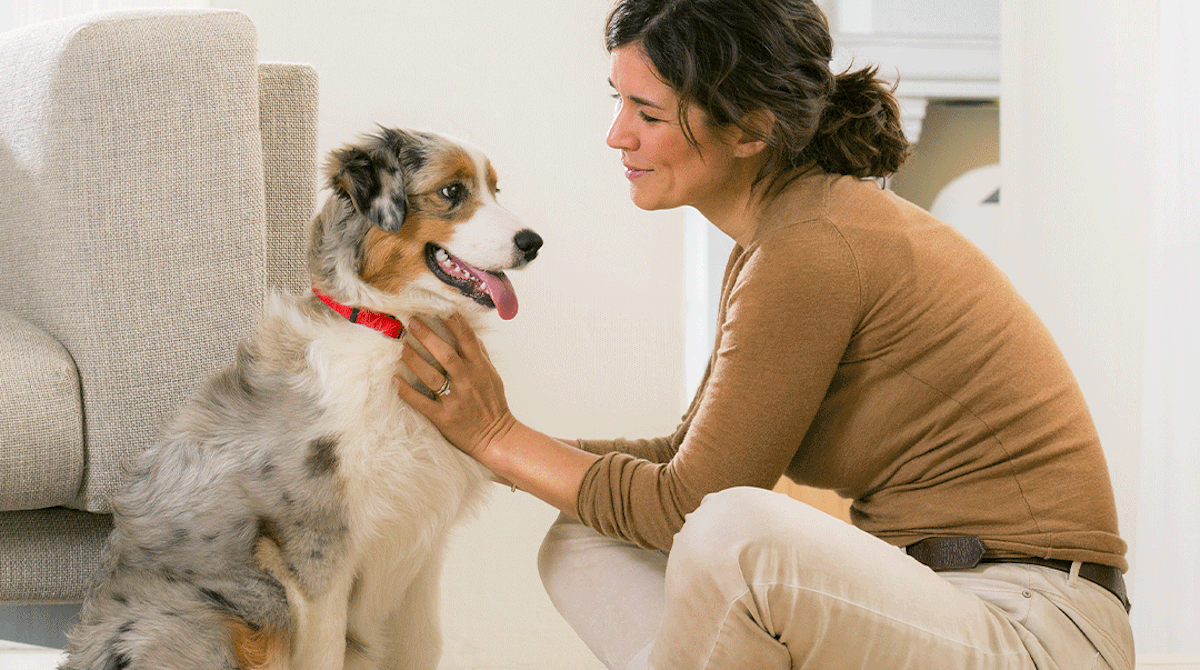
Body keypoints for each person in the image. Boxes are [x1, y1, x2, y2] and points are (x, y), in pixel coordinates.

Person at [395, 0, 1136, 668]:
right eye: (618, 102)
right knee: (587, 534)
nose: (618, 135)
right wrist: (473, 442)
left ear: (750, 128)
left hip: (1038, 627)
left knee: (735, 530)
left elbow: (690, 504)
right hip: (935, 600)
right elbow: (686, 469)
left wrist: (495, 435)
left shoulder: (812, 245)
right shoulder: (783, 236)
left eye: (648, 114)